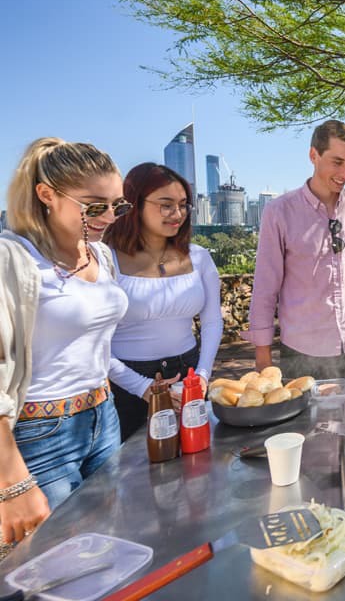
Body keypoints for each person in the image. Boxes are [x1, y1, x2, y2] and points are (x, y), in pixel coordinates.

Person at [0, 138, 150, 545]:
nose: (109, 217)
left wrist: (142, 387)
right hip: (39, 435)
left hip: (105, 417)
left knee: (106, 544)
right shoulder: (12, 259)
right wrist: (11, 483)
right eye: (94, 205)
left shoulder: (99, 256)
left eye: (117, 205)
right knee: (52, 566)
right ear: (46, 194)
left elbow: (98, 351)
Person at [246, 120, 345, 380]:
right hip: (301, 352)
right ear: (313, 155)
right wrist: (263, 357)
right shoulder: (279, 211)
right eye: (337, 162)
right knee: (305, 421)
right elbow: (266, 286)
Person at [104, 163, 223, 441]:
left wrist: (202, 376)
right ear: (134, 204)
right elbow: (94, 340)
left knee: (197, 455)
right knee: (133, 470)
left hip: (189, 372)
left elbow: (212, 321)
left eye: (183, 205)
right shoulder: (104, 259)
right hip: (127, 382)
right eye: (166, 205)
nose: (177, 214)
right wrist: (143, 386)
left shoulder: (199, 257)